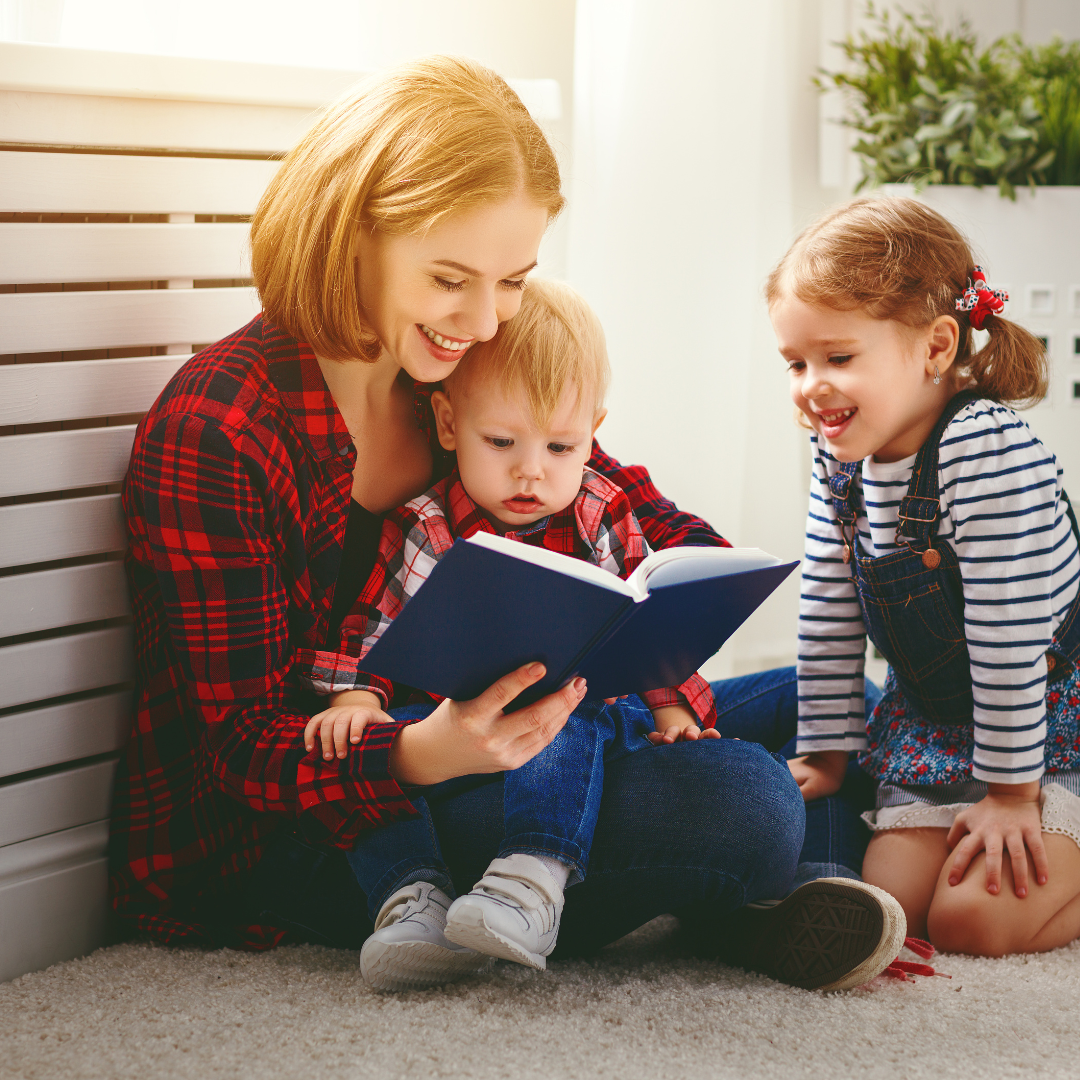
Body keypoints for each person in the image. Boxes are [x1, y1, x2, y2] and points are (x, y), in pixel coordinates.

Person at [112, 55, 898, 991]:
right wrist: (421, 749)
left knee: (845, 699)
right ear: (351, 234)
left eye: (513, 281)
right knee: (748, 803)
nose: (485, 322)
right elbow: (234, 750)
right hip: (336, 824)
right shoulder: (220, 434)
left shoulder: (456, 378)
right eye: (451, 279)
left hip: (531, 728)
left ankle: (742, 901)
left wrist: (681, 597)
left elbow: (643, 515)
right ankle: (761, 892)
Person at [299, 279, 720, 989]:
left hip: (572, 716)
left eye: (562, 445)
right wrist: (355, 701)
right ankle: (410, 903)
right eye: (501, 442)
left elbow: (641, 619)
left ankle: (530, 882)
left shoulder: (599, 510)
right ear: (446, 424)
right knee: (355, 758)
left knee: (571, 704)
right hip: (437, 726)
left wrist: (674, 704)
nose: (531, 469)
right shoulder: (429, 523)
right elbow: (368, 622)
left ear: (594, 433)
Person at [767, 196, 1080, 954]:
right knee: (894, 904)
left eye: (839, 359)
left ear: (936, 346)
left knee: (972, 921)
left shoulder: (985, 448)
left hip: (1047, 727)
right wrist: (825, 750)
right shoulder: (838, 456)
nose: (813, 387)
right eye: (796, 363)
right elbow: (827, 607)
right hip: (932, 726)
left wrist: (1013, 795)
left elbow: (1009, 636)